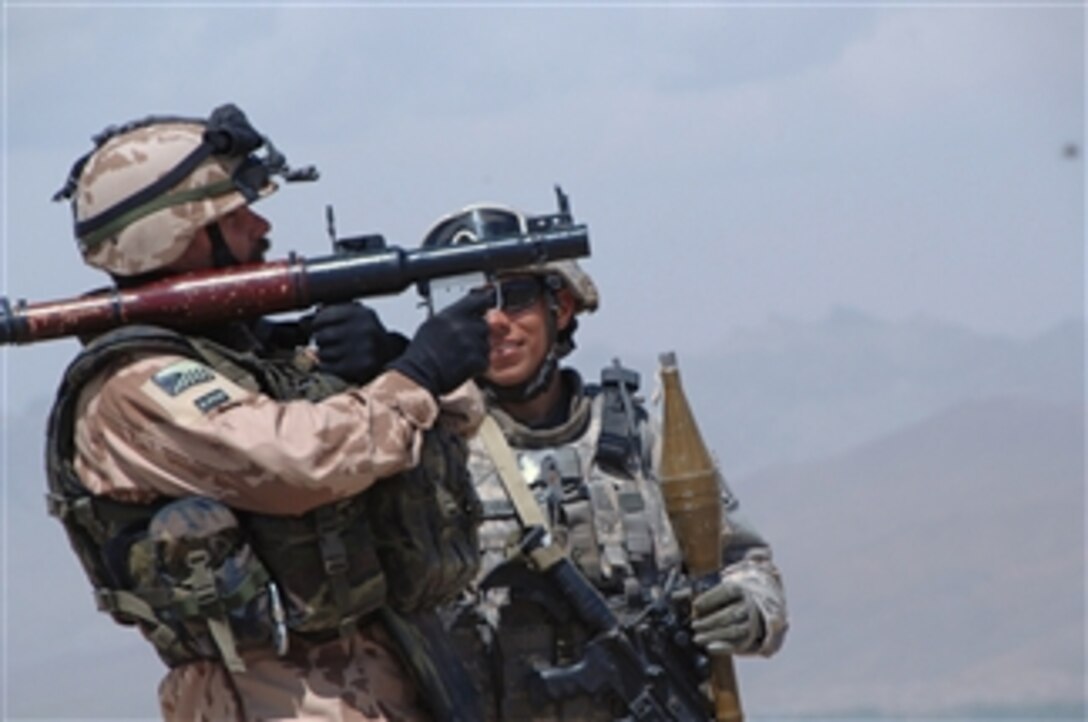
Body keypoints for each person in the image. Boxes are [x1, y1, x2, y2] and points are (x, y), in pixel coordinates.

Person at [45, 104, 492, 722]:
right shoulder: (133, 384)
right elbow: (298, 462)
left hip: (389, 675)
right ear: (179, 235)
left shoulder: (248, 354)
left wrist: (383, 359)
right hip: (267, 700)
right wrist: (416, 374)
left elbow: (452, 421)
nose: (261, 228)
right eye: (235, 214)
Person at [428, 194, 790, 721]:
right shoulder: (425, 451)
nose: (496, 321)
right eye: (470, 302)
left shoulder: (646, 438)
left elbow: (744, 564)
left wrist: (747, 610)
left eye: (517, 296)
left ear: (563, 307)